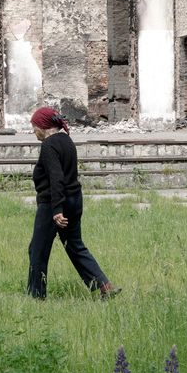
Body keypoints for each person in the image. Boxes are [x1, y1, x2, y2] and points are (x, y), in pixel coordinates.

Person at [27, 107, 119, 300]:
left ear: (43, 126)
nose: (34, 131)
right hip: (74, 199)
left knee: (37, 250)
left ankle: (36, 296)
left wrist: (57, 209)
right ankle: (104, 286)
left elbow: (56, 178)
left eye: (34, 127)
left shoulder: (49, 145)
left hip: (53, 203)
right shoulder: (67, 140)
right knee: (74, 245)